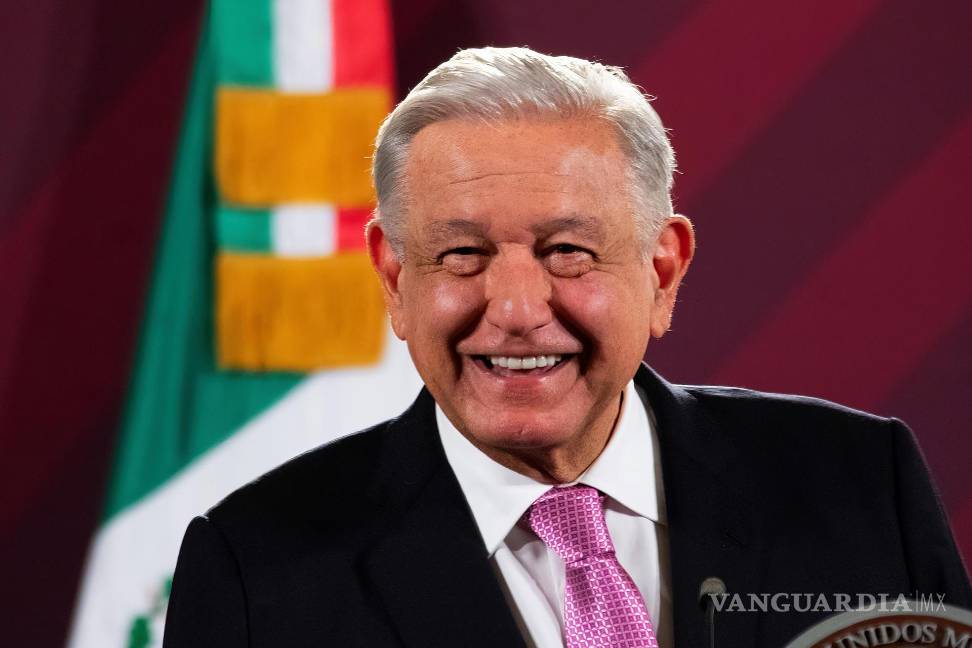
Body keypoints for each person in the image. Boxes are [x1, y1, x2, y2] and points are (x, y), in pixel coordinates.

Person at [163, 47, 971, 648]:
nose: (517, 311)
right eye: (461, 255)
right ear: (394, 278)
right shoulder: (255, 574)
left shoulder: (862, 488)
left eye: (568, 253)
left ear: (662, 272)